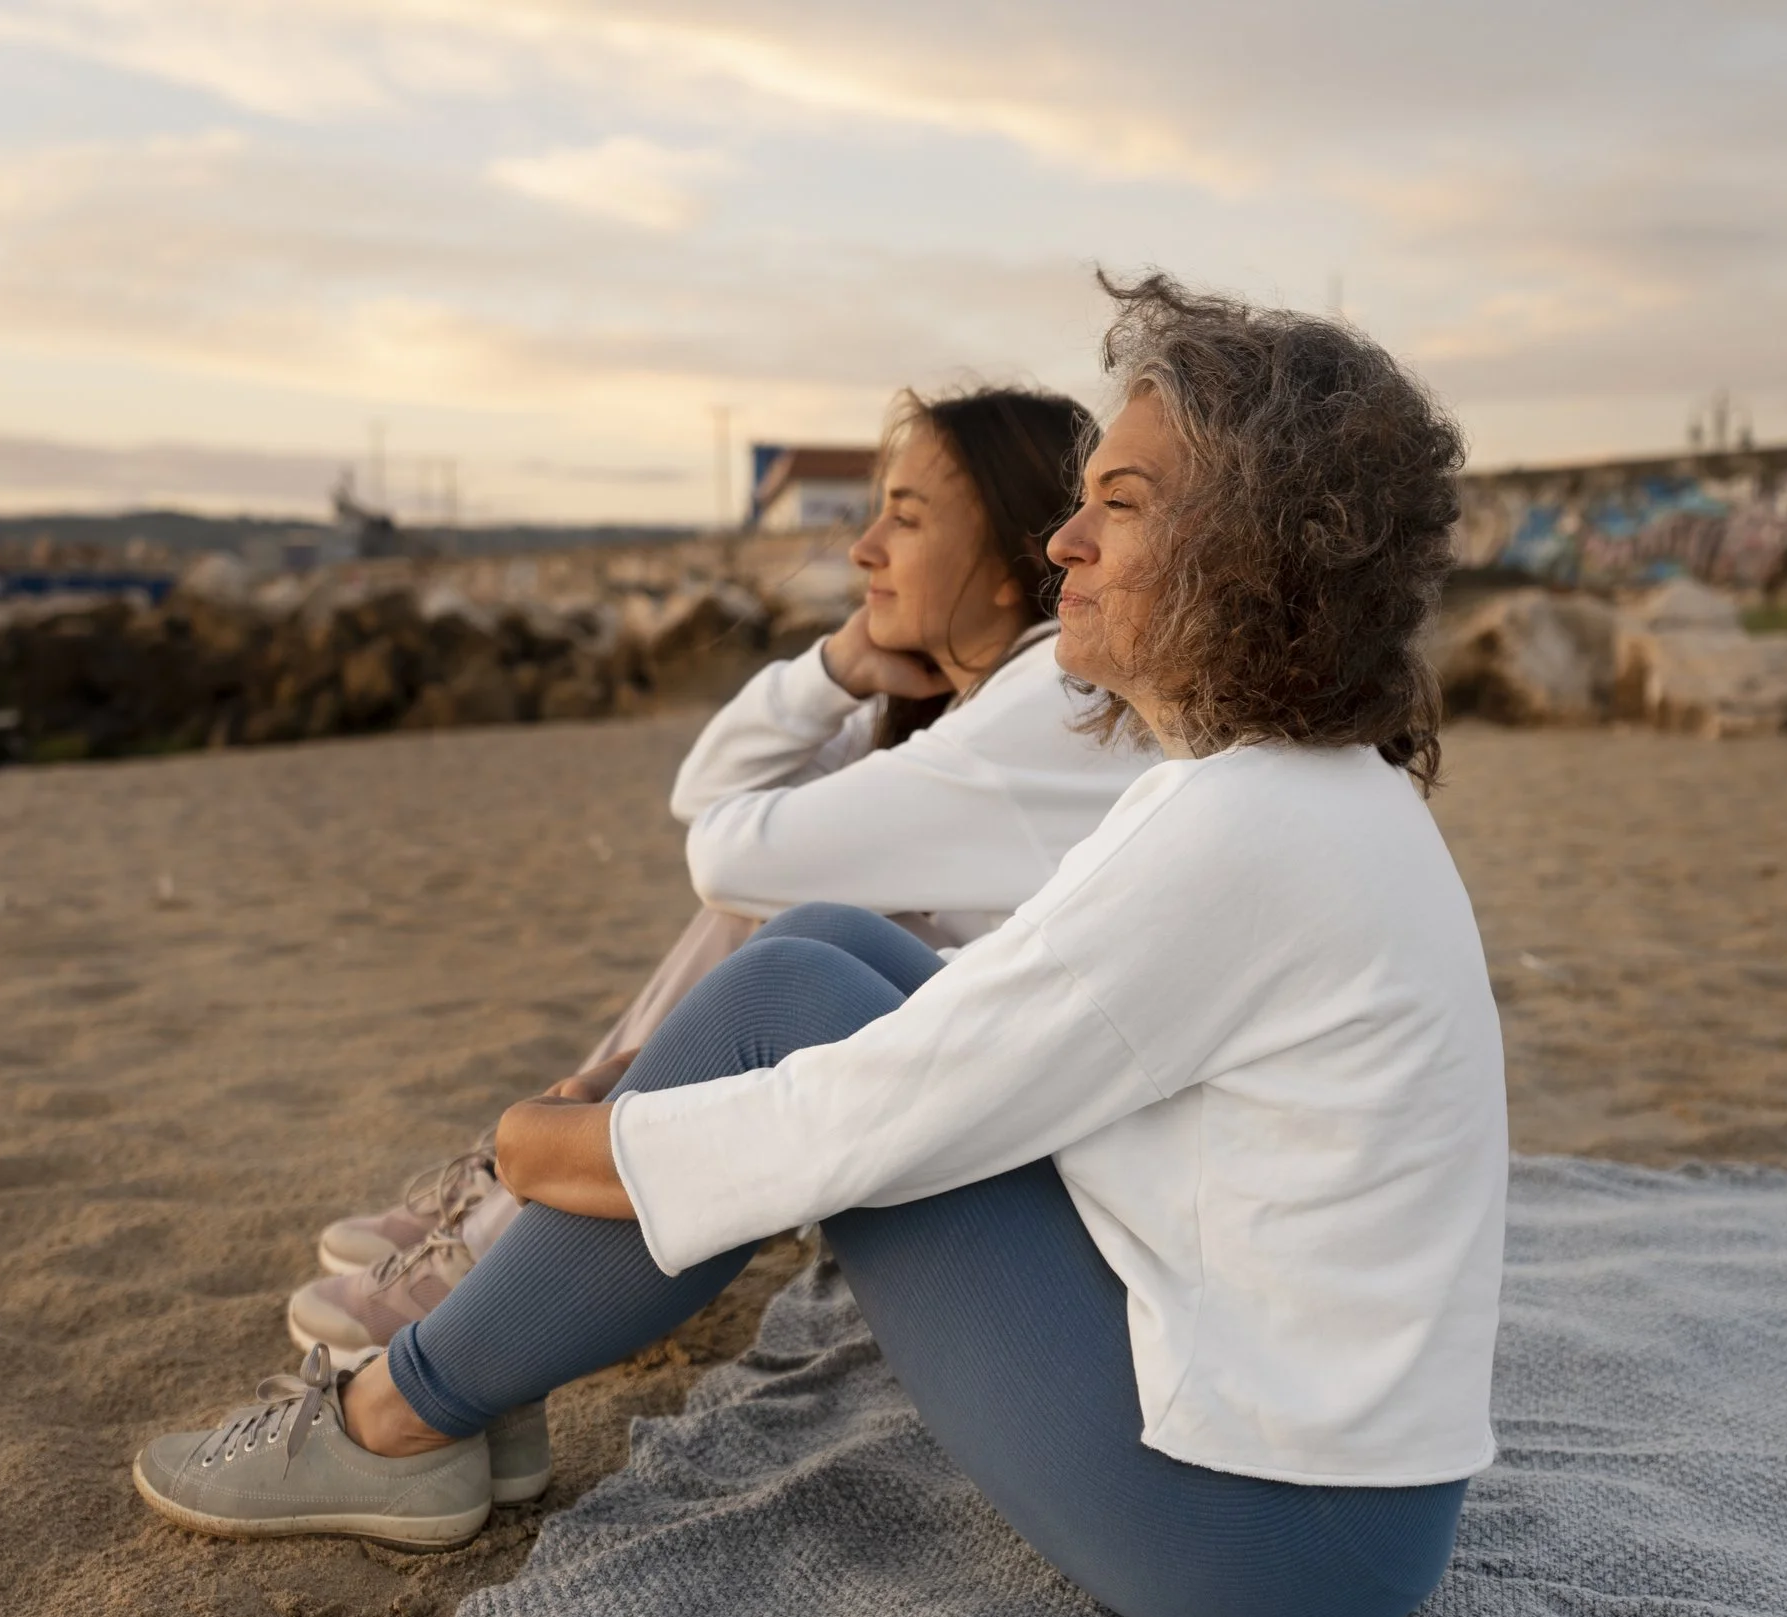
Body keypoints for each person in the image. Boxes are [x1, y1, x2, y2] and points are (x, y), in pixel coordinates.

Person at [135, 273, 1505, 1617]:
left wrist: (551, 1146)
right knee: (825, 944)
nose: (1065, 540)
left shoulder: (1240, 827)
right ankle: (479, 1377)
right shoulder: (1291, 793)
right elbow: (983, 1024)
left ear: (1256, 548)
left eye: (1123, 503)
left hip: (1264, 1537)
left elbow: (868, 1116)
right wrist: (635, 1105)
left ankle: (395, 1416)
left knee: (791, 1007)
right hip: (1331, 1496)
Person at [287, 388, 1158, 1357]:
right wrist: (833, 669)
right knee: (782, 909)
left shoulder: (1049, 702)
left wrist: (823, 688)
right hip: (981, 1103)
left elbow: (723, 852)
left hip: (1022, 1146)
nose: (862, 548)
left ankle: (509, 1235)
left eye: (905, 519)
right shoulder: (985, 702)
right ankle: (511, 1207)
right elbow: (703, 799)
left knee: (776, 919)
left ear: (1016, 560)